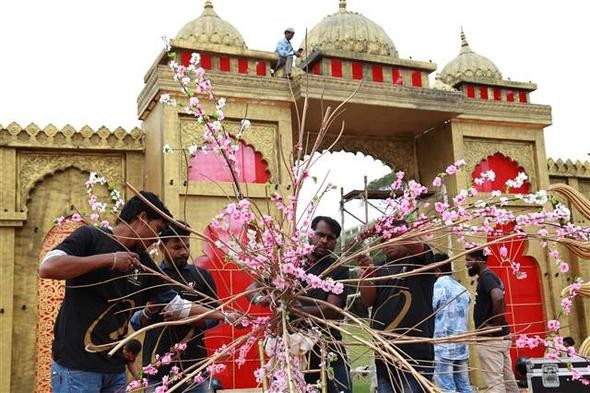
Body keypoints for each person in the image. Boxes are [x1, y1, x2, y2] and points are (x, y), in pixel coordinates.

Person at [39, 192, 234, 393]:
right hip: (77, 366)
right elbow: (48, 267)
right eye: (157, 229)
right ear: (142, 218)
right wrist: (110, 259)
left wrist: (223, 314)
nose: (156, 239)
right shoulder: (91, 237)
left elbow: (177, 306)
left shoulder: (143, 262)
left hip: (114, 369)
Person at [248, 216, 351, 393]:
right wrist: (261, 299)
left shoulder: (338, 269)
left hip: (326, 344)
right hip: (290, 346)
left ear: (335, 242)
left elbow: (331, 310)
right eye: (320, 235)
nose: (324, 241)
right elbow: (252, 289)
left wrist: (296, 309)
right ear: (310, 234)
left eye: (331, 238)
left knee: (342, 389)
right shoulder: (289, 261)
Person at [131, 222, 220, 393]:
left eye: (186, 246)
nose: (184, 252)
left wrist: (191, 318)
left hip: (195, 367)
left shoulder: (202, 276)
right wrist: (149, 310)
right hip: (156, 368)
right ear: (162, 246)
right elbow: (136, 323)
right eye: (177, 247)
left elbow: (215, 317)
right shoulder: (150, 275)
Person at [358, 220, 436, 393]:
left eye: (394, 236)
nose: (388, 243)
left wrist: (380, 226)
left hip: (415, 355)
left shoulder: (420, 262)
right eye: (383, 239)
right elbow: (368, 301)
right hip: (384, 354)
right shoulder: (380, 268)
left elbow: (416, 245)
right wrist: (366, 275)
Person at [466, 249, 519, 393]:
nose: (466, 264)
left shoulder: (486, 277)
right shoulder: (490, 277)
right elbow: (501, 300)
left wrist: (494, 326)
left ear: (479, 260)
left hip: (491, 341)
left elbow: (498, 298)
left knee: (494, 384)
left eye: (469, 259)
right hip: (500, 338)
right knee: (508, 382)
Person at [432, 253, 473, 393]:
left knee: (446, 387)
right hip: (461, 345)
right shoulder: (462, 289)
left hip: (443, 346)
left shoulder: (437, 288)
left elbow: (430, 313)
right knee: (464, 386)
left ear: (437, 270)